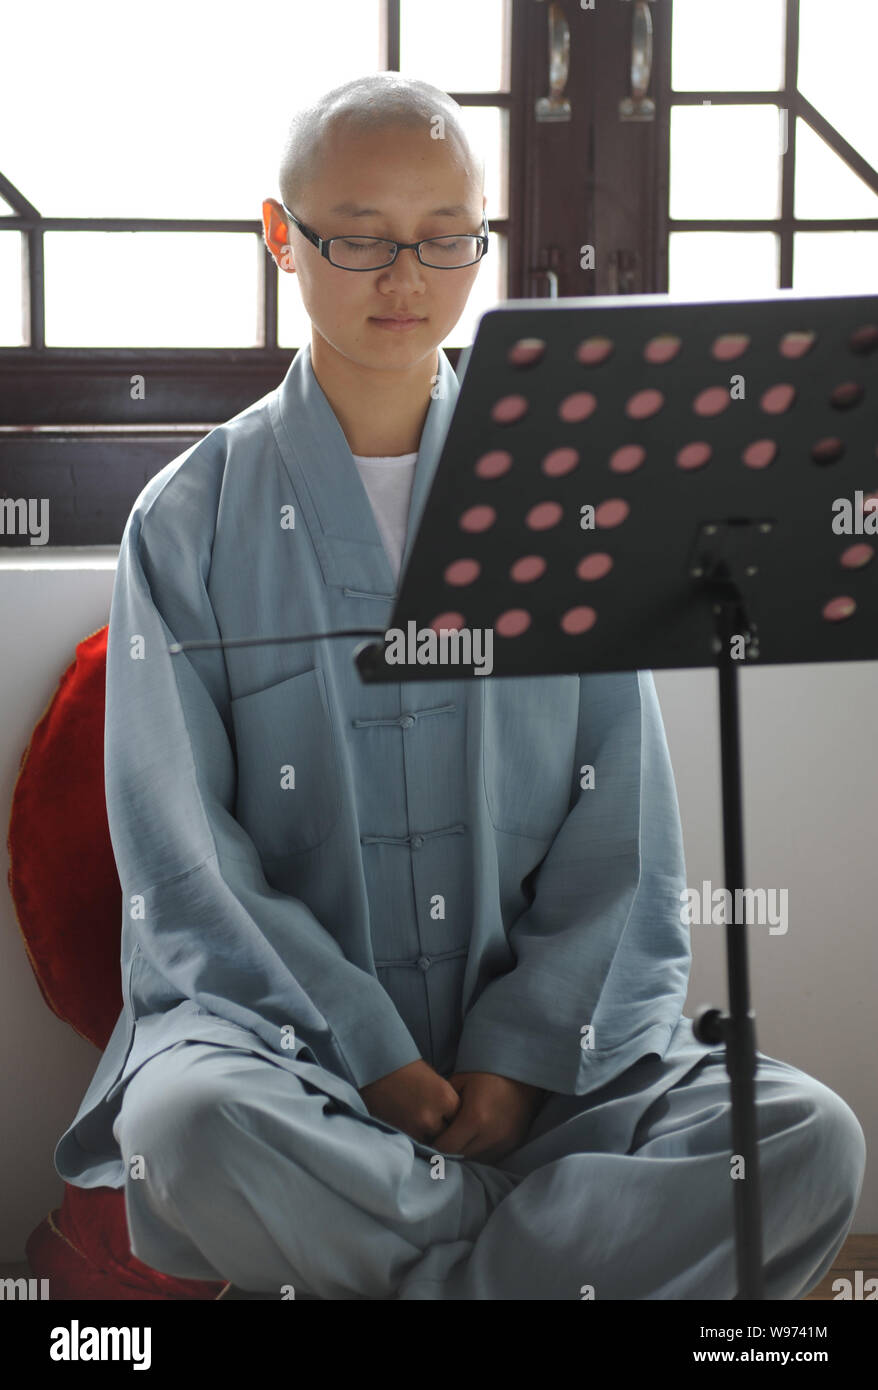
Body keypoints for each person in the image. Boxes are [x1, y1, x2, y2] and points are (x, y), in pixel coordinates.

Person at [55, 72, 865, 1300]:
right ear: (281, 238)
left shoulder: (558, 493)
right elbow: (187, 862)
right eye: (362, 237)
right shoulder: (187, 523)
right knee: (185, 1130)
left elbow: (622, 830)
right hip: (293, 1065)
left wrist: (524, 1056)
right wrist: (371, 1055)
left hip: (550, 1076)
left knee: (803, 1140)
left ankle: (421, 1261)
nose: (406, 277)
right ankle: (539, 1263)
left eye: (446, 238)